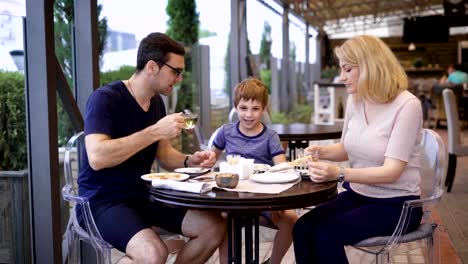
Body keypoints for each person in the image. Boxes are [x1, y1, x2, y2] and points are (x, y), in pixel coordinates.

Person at [78, 32, 226, 264]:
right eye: (175, 71)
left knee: (213, 227)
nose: (179, 79)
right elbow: (97, 157)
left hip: (144, 196)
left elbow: (164, 154)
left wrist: (190, 160)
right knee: (154, 253)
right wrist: (155, 131)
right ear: (151, 67)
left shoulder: (156, 102)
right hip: (102, 202)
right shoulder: (105, 98)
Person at [293, 35, 424, 264]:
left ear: (370, 67)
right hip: (359, 195)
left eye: (347, 69)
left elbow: (391, 171)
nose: (341, 76)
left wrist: (340, 174)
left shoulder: (407, 105)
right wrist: (321, 152)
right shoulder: (356, 100)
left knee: (327, 234)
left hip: (398, 204)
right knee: (303, 228)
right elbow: (347, 148)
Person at [211, 78, 298, 264]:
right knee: (222, 221)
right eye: (243, 108)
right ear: (236, 107)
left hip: (262, 200)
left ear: (264, 109)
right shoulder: (225, 132)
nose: (248, 115)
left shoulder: (270, 137)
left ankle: (273, 262)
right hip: (232, 200)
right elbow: (209, 160)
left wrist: (278, 203)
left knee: (290, 219)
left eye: (255, 109)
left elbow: (283, 169)